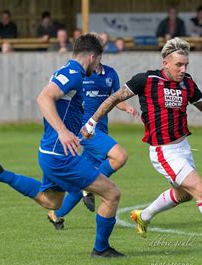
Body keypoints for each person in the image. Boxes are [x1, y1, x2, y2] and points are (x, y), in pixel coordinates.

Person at [81, 37, 202, 249]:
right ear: (165, 62)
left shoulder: (187, 82)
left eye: (186, 65)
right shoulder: (146, 80)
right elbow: (114, 98)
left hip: (183, 149)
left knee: (183, 194)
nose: (183, 69)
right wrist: (92, 122)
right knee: (201, 190)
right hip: (164, 151)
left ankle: (143, 217)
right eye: (178, 65)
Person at [0, 34, 125, 258]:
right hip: (61, 155)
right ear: (92, 57)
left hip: (49, 152)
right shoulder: (75, 74)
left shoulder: (65, 70)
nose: (98, 66)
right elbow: (43, 98)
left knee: (51, 201)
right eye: (98, 61)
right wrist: (62, 130)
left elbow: (57, 103)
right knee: (112, 194)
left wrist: (72, 129)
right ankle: (101, 249)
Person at [47, 61, 139, 230]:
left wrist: (126, 108)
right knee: (120, 156)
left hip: (101, 129)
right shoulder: (79, 76)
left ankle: (56, 214)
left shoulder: (110, 73)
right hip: (85, 130)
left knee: (81, 182)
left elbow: (116, 98)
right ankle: (88, 189)